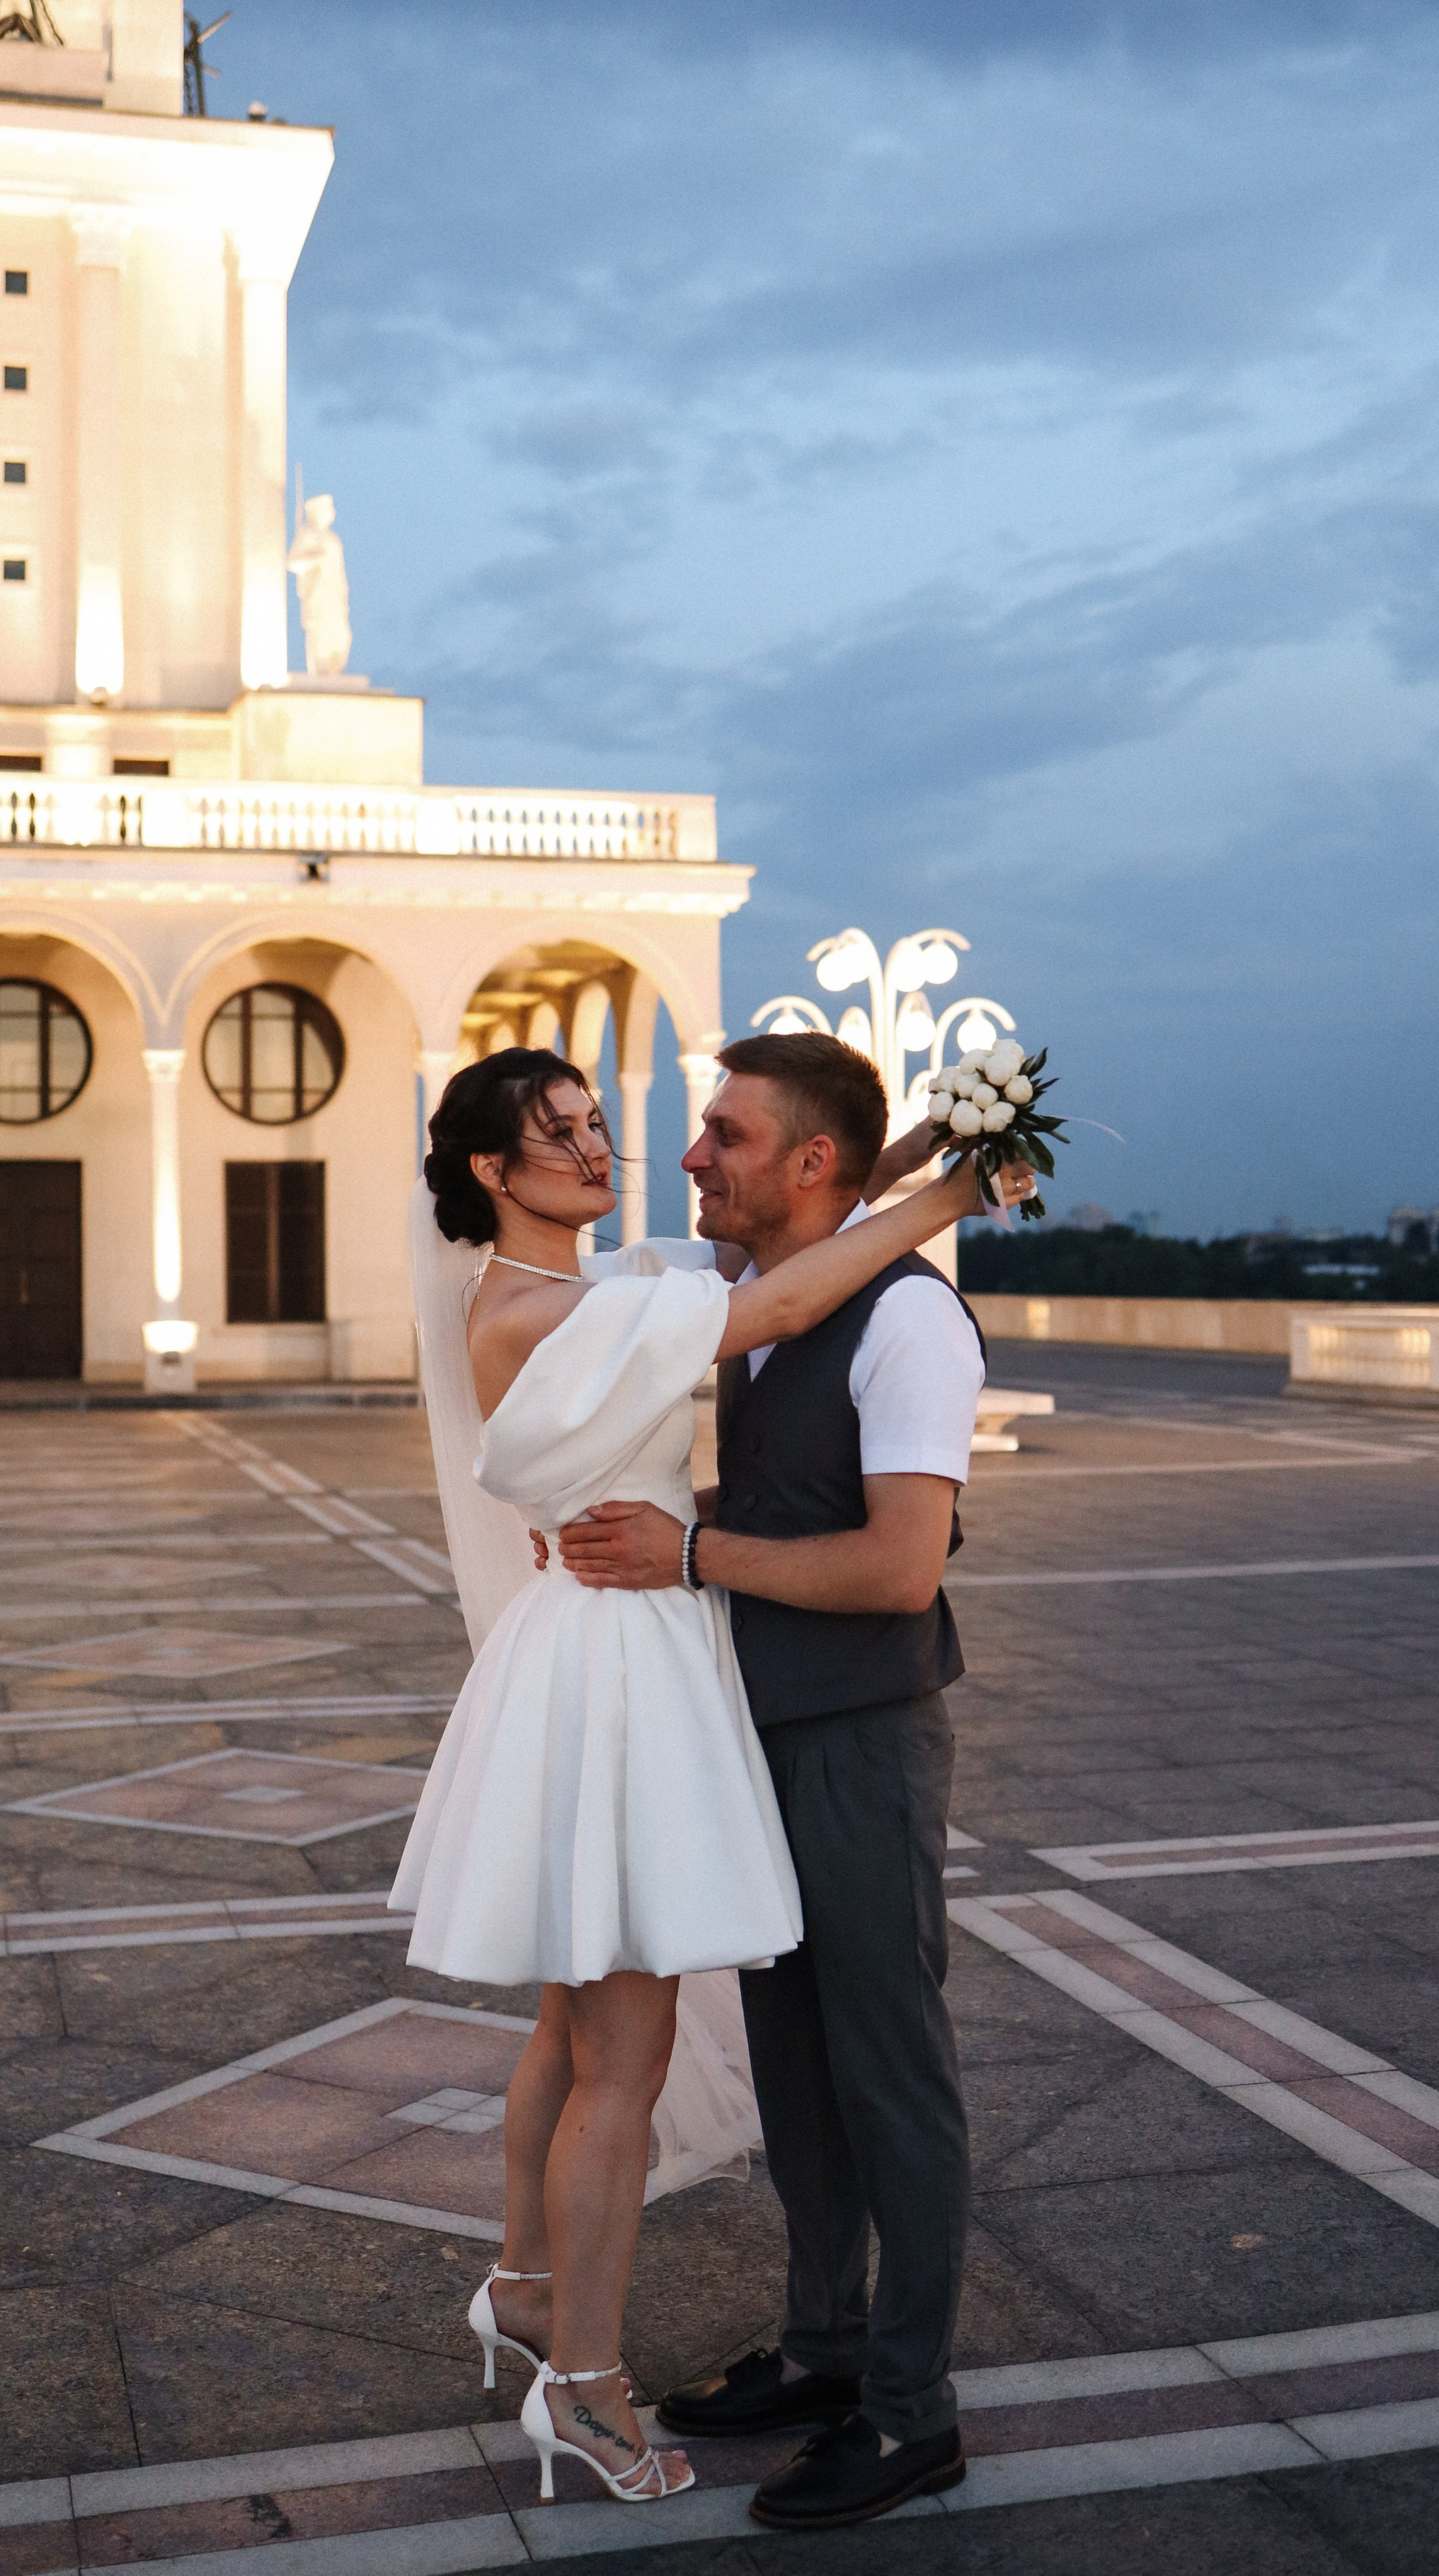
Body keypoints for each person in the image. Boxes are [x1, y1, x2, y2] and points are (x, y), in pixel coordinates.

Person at [391, 1046, 1021, 2510]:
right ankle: (602, 2372)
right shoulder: (570, 1305)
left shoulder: (609, 1288)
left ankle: (562, 2301)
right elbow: (779, 1286)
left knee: (607, 2024)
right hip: (630, 1673)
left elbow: (788, 1239)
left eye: (605, 1121)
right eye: (567, 1134)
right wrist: (957, 1187)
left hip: (660, 1670)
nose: (621, 1150)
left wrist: (923, 1139)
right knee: (641, 2043)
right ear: (494, 1173)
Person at [555, 1031, 999, 2529]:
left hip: (863, 1742)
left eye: (726, 1135)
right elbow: (783, 1475)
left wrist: (688, 1550)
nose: (692, 1157)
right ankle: (822, 2351)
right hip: (758, 1737)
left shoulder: (908, 1328)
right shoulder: (757, 1307)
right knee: (797, 2076)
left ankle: (908, 2411)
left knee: (889, 2074)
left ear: (810, 1165)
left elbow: (895, 1567)